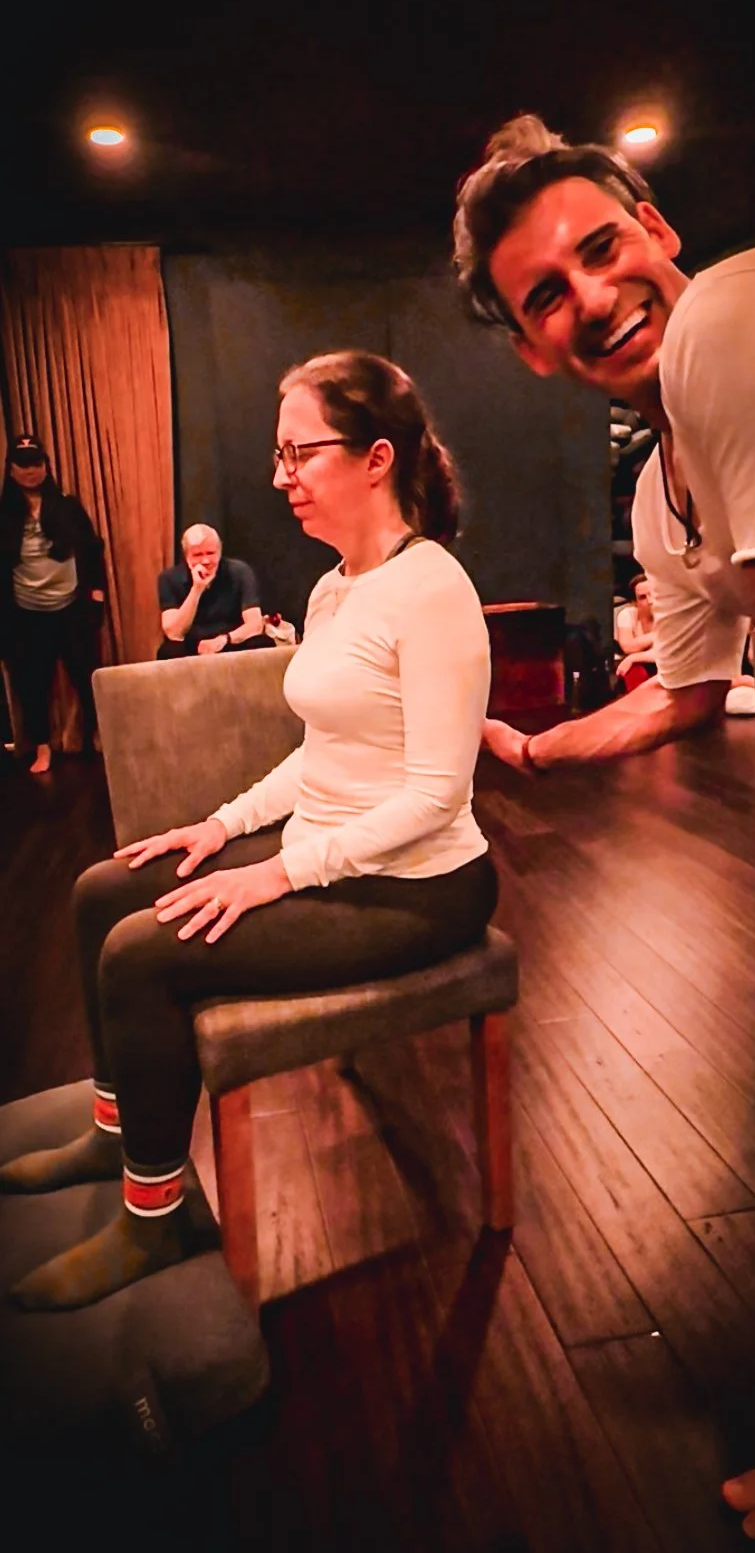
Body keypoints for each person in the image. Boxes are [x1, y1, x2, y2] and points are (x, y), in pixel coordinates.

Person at [453, 116, 755, 1552]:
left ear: (657, 227)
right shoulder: (669, 492)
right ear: (535, 351)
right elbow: (682, 694)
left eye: (599, 248)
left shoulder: (744, 309)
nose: (591, 296)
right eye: (547, 294)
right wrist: (535, 744)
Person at [1, 351, 497, 1310]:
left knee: (145, 955)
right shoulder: (333, 587)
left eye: (299, 453)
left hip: (422, 885)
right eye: (279, 456)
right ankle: (118, 1129)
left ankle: (157, 1217)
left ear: (375, 457)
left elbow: (437, 794)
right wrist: (220, 824)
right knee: (106, 888)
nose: (281, 477)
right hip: (339, 854)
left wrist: (275, 874)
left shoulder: (432, 589)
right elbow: (322, 751)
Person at [0, 438, 106, 773]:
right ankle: (42, 748)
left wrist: (97, 595)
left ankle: (97, 737)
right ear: (11, 470)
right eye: (23, 465)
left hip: (71, 607)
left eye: (36, 463)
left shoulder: (67, 506)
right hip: (25, 613)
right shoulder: (4, 515)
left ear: (46, 465)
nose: (31, 471)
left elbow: (92, 550)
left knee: (88, 675)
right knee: (32, 683)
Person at [157, 524, 272, 657]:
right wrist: (197, 589)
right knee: (169, 651)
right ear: (187, 556)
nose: (205, 561)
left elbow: (255, 624)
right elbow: (174, 633)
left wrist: (225, 639)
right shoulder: (169, 578)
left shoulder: (239, 572)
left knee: (262, 643)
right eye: (197, 555)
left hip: (230, 640)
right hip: (192, 645)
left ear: (219, 552)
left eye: (210, 553)